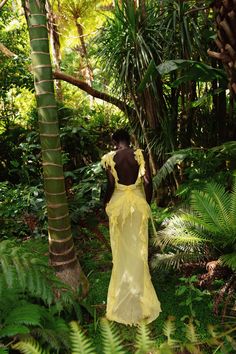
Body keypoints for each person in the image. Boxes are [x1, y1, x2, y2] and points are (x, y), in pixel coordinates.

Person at [101, 129, 161, 325]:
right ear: (129, 139)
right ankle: (140, 294)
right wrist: (148, 202)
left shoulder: (110, 158)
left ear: (115, 140)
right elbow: (147, 181)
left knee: (121, 249)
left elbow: (110, 185)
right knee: (139, 248)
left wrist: (105, 203)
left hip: (118, 205)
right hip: (137, 203)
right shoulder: (139, 154)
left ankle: (124, 292)